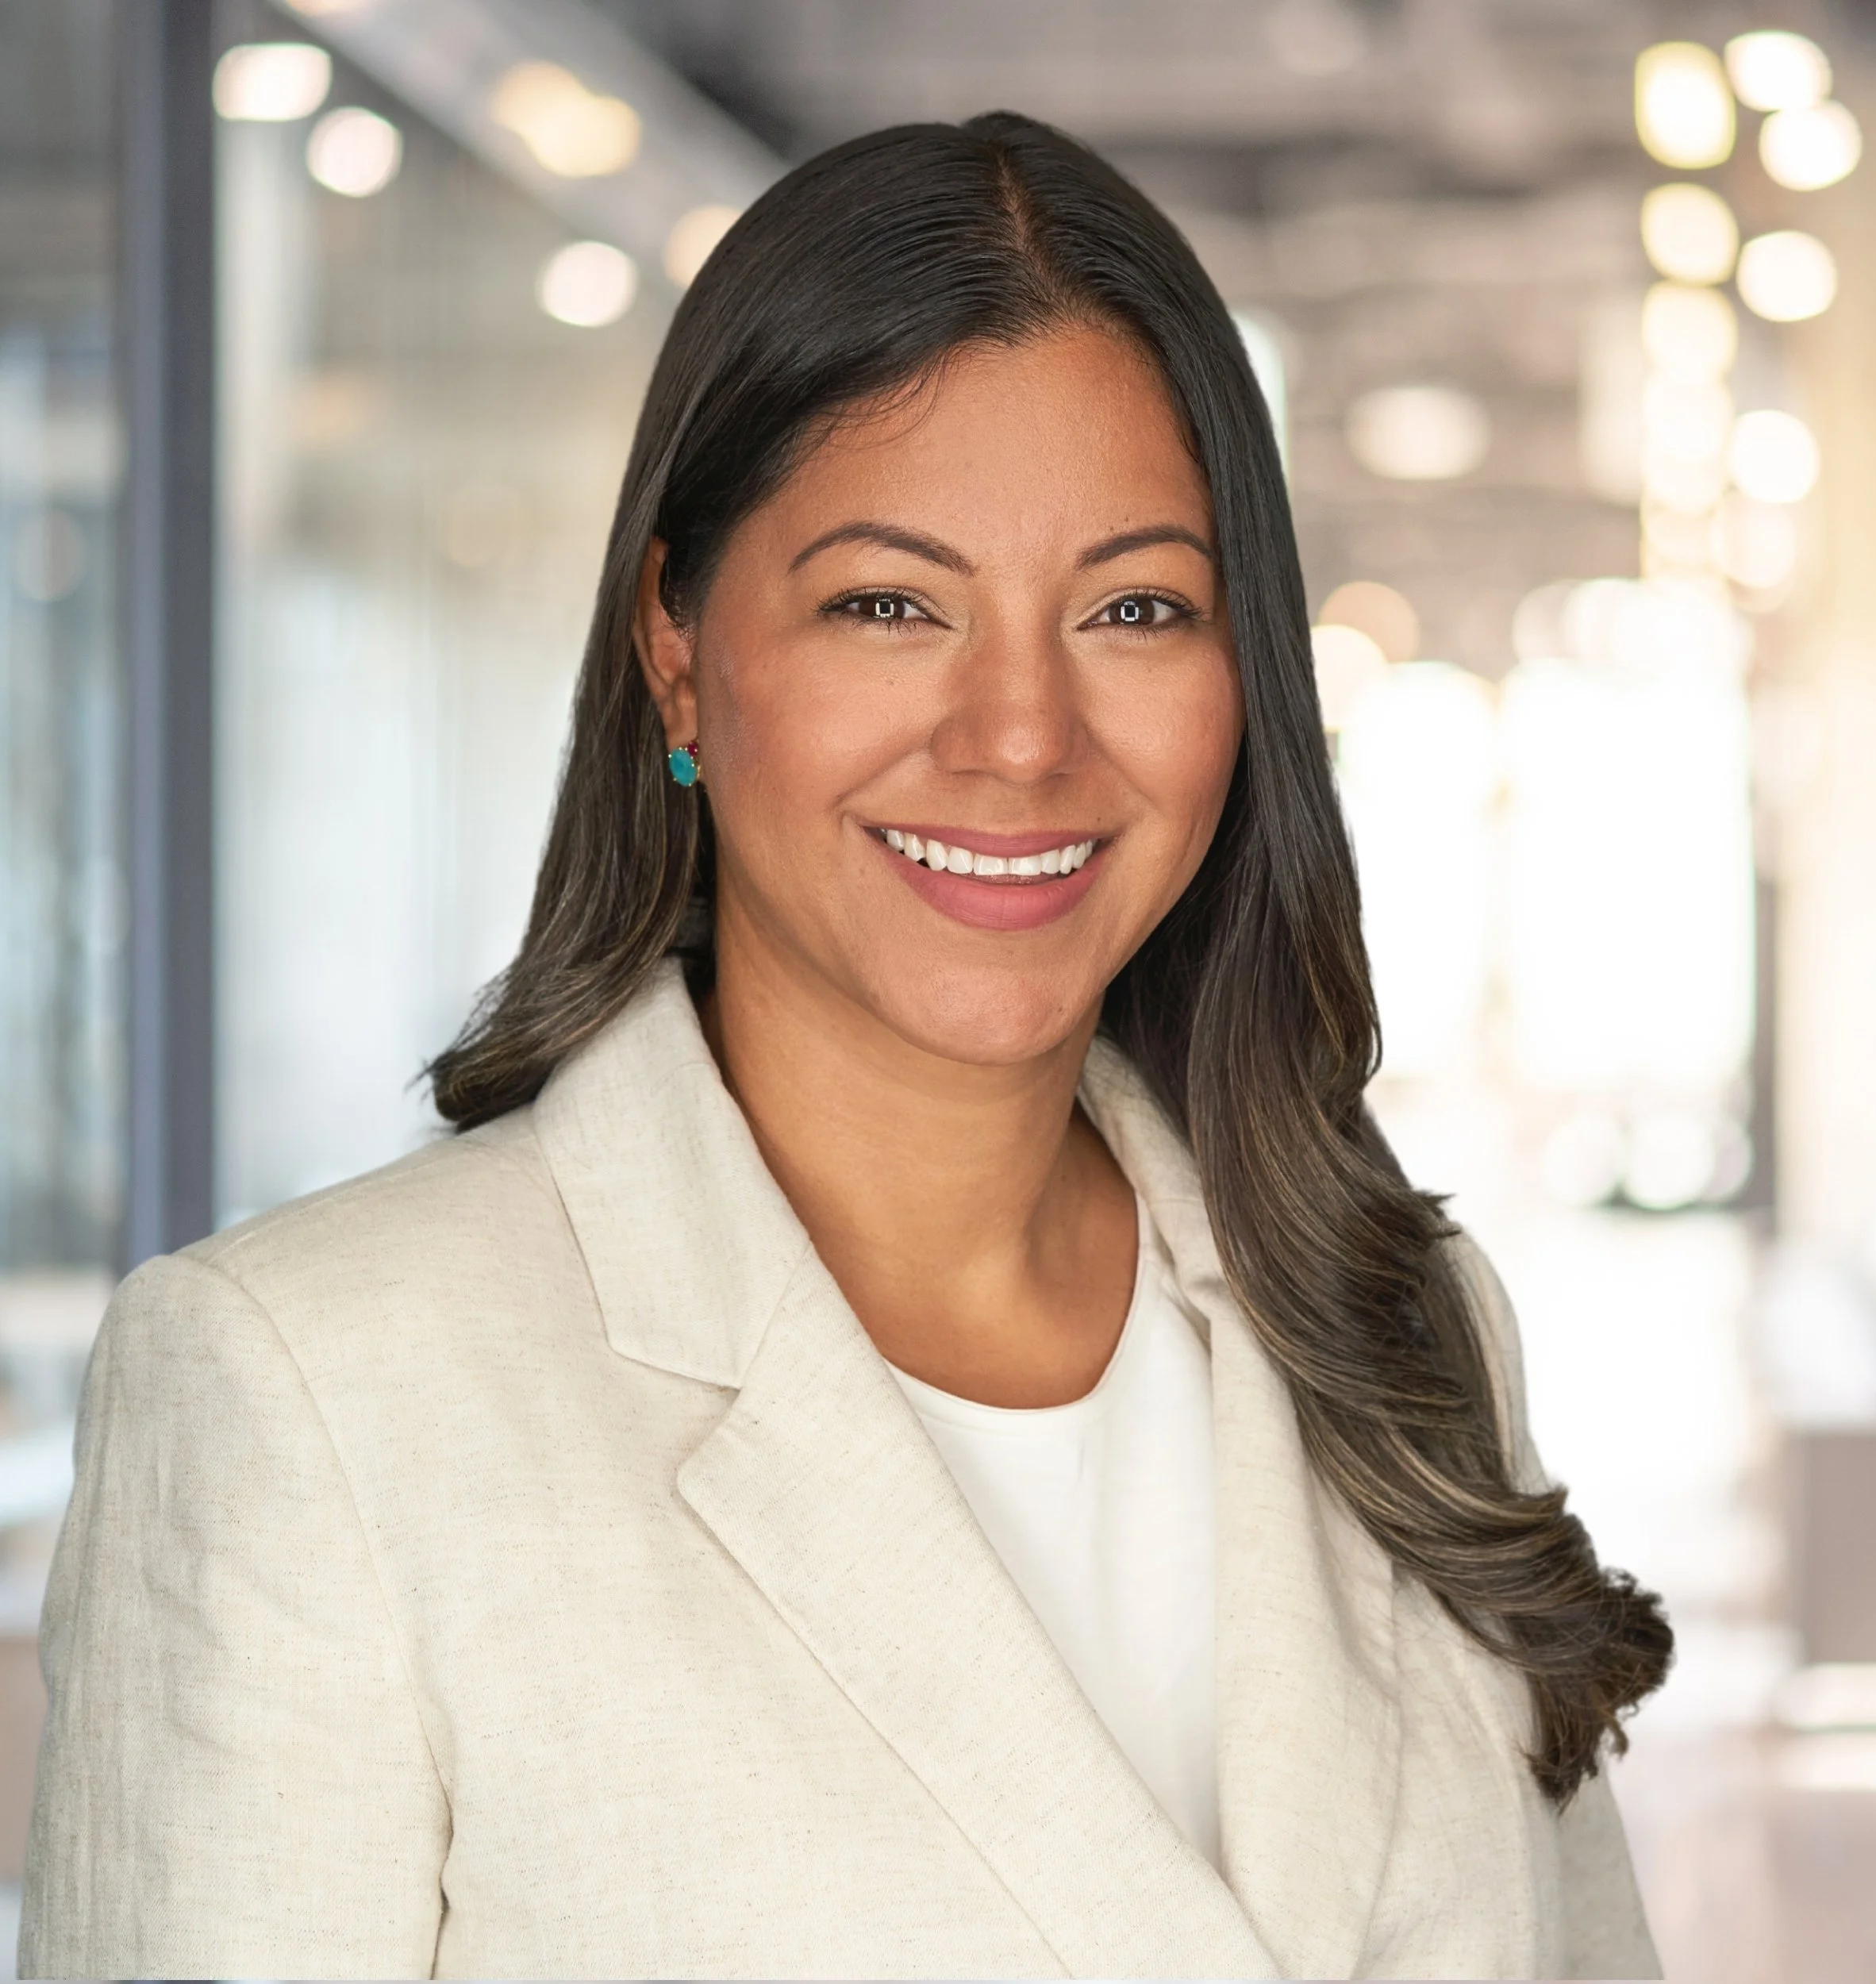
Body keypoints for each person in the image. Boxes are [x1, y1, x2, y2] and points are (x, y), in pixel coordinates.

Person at [21, 111, 1671, 1979]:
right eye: (889, 603)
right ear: (674, 644)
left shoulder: (1400, 1323)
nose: (1021, 733)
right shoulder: (311, 1395)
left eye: (1133, 607)